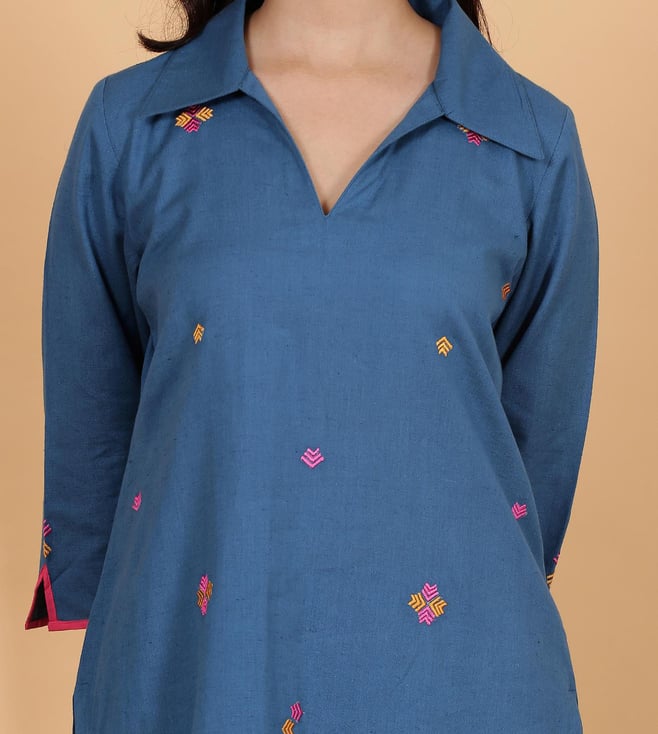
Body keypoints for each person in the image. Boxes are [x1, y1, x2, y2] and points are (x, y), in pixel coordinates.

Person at [24, 0, 599, 732]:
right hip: (198, 666)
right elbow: (93, 432)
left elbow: (535, 464)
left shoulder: (530, 140)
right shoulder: (134, 126)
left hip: (462, 681)